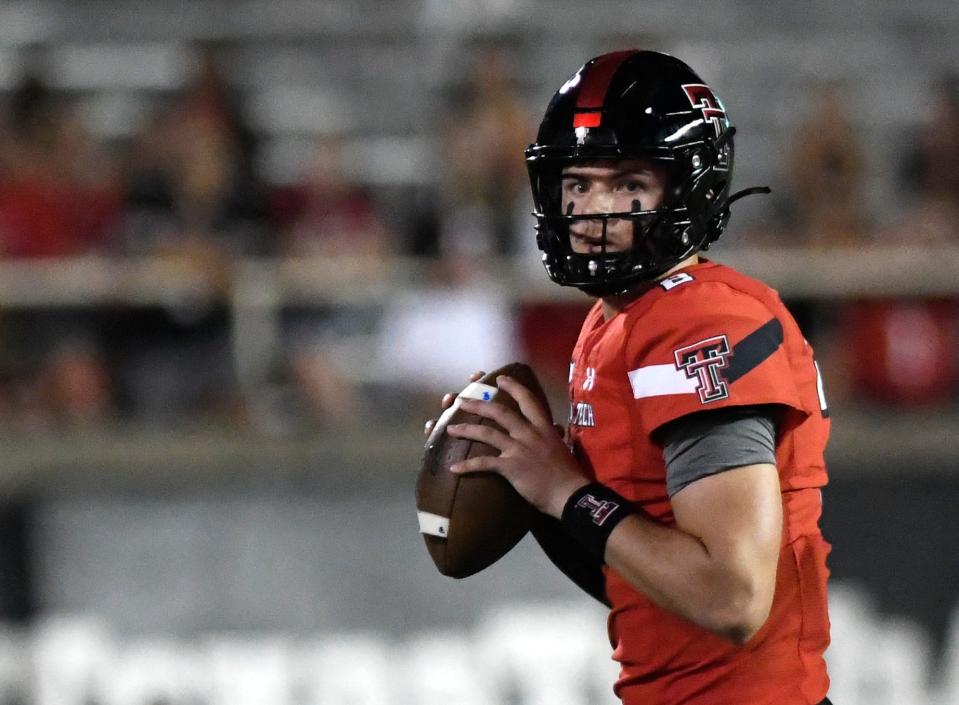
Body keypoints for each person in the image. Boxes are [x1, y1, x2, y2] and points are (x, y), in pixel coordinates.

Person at [427, 50, 833, 705]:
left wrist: (563, 490)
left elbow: (731, 596)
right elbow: (653, 589)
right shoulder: (614, 320)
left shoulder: (700, 320)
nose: (594, 209)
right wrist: (531, 482)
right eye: (578, 183)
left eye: (628, 184)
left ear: (690, 187)